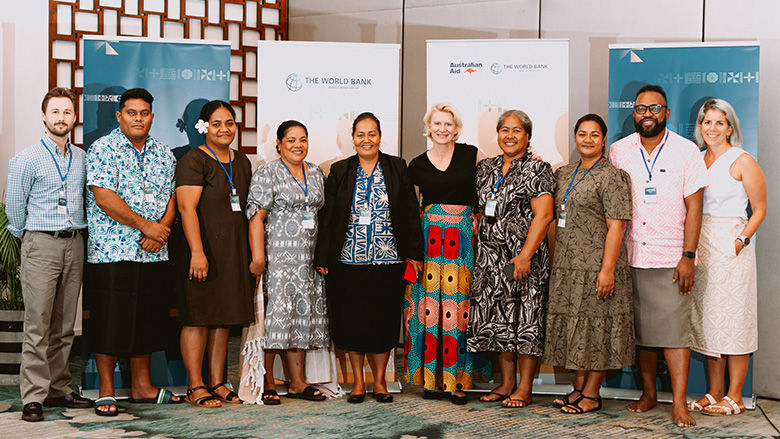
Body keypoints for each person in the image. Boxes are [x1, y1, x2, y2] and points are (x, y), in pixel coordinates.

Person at [608, 84, 707, 428]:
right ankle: (649, 393)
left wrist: (688, 255)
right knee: (642, 333)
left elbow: (695, 208)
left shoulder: (686, 150)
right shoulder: (618, 151)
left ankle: (679, 403)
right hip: (630, 255)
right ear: (632, 113)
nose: (647, 114)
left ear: (666, 112)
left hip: (670, 257)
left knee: (675, 334)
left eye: (654, 108)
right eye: (640, 109)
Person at [314, 113, 424, 404]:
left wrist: (414, 253)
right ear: (353, 138)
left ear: (379, 136)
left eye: (372, 134)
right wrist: (323, 255)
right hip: (348, 261)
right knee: (351, 322)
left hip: (388, 260)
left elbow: (411, 213)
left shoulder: (396, 167)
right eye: (360, 134)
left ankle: (380, 383)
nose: (366, 140)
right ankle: (359, 383)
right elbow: (328, 218)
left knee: (383, 322)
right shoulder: (339, 170)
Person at [85, 88, 181, 416]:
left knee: (147, 320)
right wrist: (146, 226)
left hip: (154, 252)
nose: (138, 118)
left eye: (143, 113)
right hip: (112, 251)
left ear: (152, 117)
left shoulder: (164, 153)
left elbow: (173, 197)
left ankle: (142, 387)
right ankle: (107, 390)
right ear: (119, 116)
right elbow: (104, 197)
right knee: (110, 321)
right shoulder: (103, 148)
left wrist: (161, 230)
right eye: (131, 113)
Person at [5, 88, 94, 422]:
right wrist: (28, 239)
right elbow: (15, 207)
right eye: (55, 112)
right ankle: (33, 396)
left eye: (67, 112)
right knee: (38, 324)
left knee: (65, 324)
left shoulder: (82, 157)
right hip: (41, 243)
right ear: (44, 116)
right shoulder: (26, 158)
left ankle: (60, 387)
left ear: (74, 117)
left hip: (75, 242)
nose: (61, 118)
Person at [542, 114, 635, 414]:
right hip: (569, 267)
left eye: (595, 135)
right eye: (582, 134)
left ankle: (592, 395)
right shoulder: (565, 174)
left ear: (604, 139)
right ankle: (578, 389)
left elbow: (617, 227)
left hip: (598, 266)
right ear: (575, 137)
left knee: (597, 329)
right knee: (577, 328)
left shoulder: (613, 176)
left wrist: (607, 270)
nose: (588, 139)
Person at [404, 102, 491, 405]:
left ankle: (457, 382)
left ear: (456, 128)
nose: (442, 129)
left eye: (448, 124)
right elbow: (410, 208)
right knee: (428, 309)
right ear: (428, 128)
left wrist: (479, 213)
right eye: (437, 124)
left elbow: (496, 182)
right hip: (428, 243)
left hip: (463, 241)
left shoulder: (472, 154)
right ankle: (430, 381)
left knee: (459, 309)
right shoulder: (416, 164)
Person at [468, 109, 554, 408]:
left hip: (522, 258)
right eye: (505, 129)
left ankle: (525, 387)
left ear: (528, 136)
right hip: (490, 259)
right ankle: (506, 384)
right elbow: (481, 208)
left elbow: (543, 215)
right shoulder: (486, 168)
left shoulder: (536, 169)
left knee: (525, 319)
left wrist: (525, 255)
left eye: (517, 130)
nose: (510, 135)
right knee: (500, 321)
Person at [688, 99, 766, 416]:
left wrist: (740, 240)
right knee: (708, 319)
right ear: (700, 126)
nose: (712, 128)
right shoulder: (695, 159)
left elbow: (759, 209)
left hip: (732, 245)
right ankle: (714, 391)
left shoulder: (742, 160)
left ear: (730, 128)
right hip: (700, 243)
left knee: (735, 318)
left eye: (720, 123)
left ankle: (735, 395)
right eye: (707, 122)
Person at [176, 100, 254, 408]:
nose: (224, 129)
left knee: (224, 318)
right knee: (199, 317)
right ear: (204, 126)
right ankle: (195, 385)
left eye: (229, 123)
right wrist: (197, 251)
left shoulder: (243, 161)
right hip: (203, 250)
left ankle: (218, 381)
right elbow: (186, 208)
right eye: (217, 123)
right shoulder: (194, 160)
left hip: (234, 252)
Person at [247, 120, 329, 404]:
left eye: (303, 139)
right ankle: (267, 380)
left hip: (307, 260)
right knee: (276, 319)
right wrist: (258, 258)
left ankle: (297, 382)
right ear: (278, 144)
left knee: (301, 317)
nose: (298, 145)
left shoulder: (316, 172)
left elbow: (323, 217)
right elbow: (256, 218)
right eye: (291, 140)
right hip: (278, 259)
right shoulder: (267, 173)